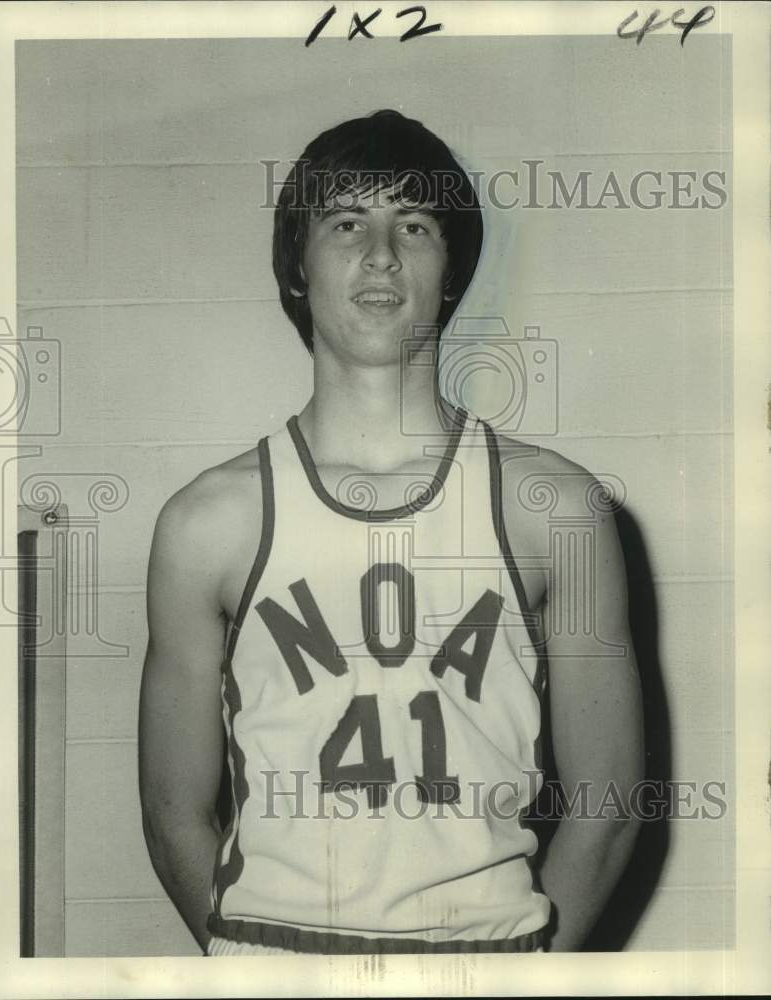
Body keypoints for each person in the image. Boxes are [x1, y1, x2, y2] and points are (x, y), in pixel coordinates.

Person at [138, 109, 643, 956]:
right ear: (297, 269)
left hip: (489, 956)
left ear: (452, 270)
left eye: (414, 224)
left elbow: (613, 808)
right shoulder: (207, 524)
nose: (380, 254)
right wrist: (245, 966)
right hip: (272, 951)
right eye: (346, 223)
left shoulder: (554, 508)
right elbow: (169, 809)